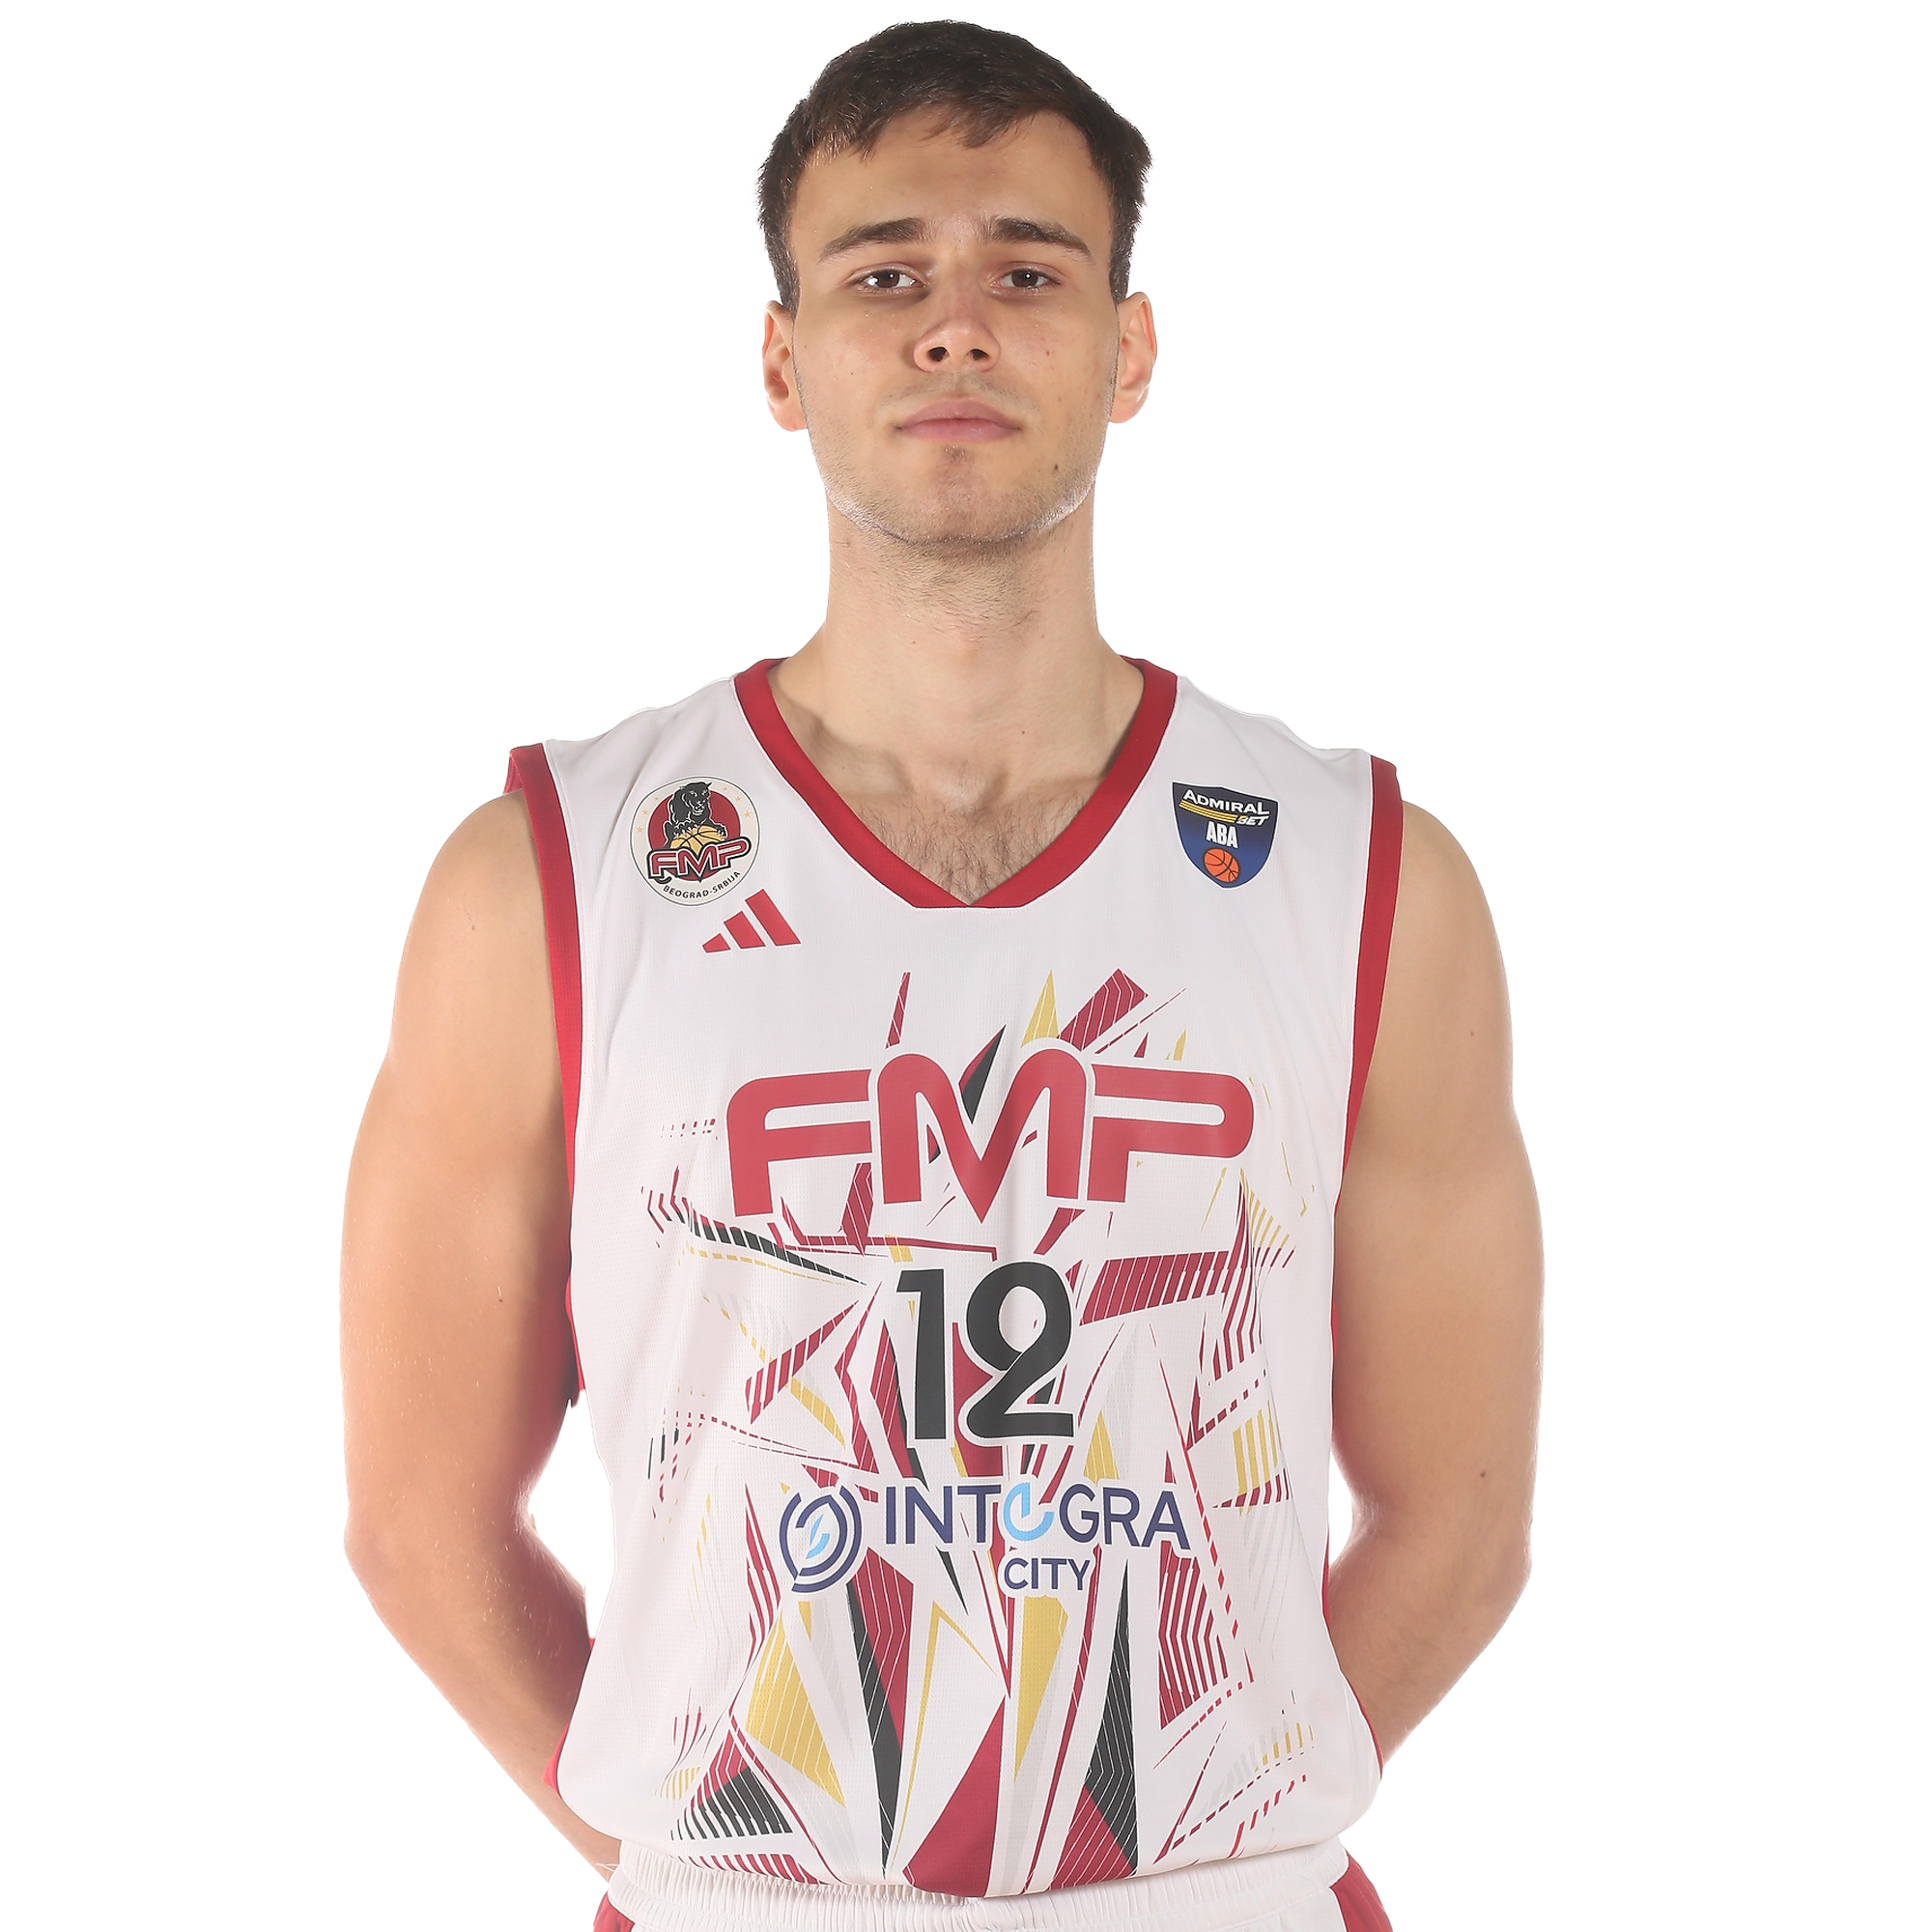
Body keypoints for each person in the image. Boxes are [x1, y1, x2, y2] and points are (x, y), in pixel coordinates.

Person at [342, 21, 1541, 1931]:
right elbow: (418, 1525)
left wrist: (1193, 1846)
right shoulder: (551, 875)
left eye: (1029, 273)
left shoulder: (1357, 875)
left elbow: (1459, 1520)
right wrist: (718, 1867)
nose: (955, 328)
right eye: (884, 275)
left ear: (1128, 350)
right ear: (782, 359)